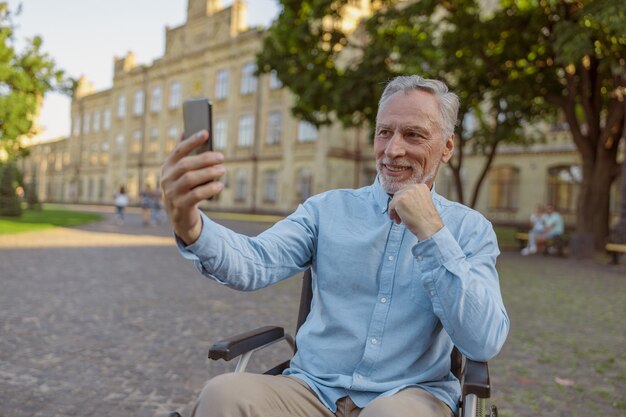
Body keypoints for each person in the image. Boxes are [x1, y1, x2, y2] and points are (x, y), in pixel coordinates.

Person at [160, 75, 509, 417]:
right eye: (384, 132)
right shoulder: (326, 210)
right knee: (223, 394)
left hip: (409, 395)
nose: (393, 149)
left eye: (414, 135)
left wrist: (433, 232)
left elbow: (483, 341)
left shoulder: (470, 230)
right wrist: (190, 224)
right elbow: (256, 262)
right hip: (312, 389)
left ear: (447, 147)